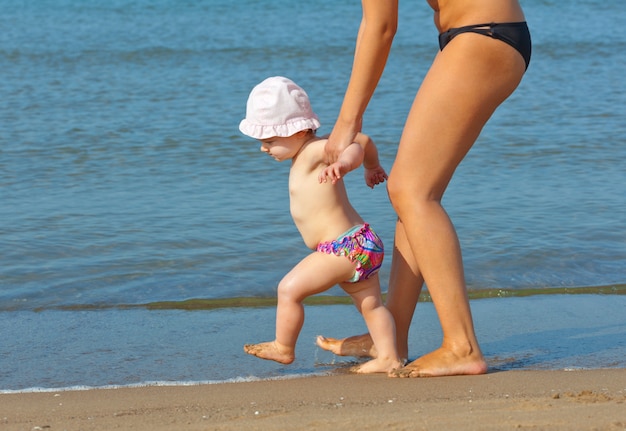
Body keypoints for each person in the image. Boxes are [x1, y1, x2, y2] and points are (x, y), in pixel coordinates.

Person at [316, 1, 532, 377]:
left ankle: (462, 347)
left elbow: (380, 26)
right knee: (409, 191)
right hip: (483, 34)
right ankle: (392, 339)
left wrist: (348, 122)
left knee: (413, 192)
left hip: (482, 35)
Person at [239, 76, 403, 373]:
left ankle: (283, 347)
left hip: (344, 248)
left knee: (289, 290)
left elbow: (355, 146)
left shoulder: (315, 150)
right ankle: (388, 355)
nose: (264, 148)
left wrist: (347, 164)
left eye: (270, 140)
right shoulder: (304, 152)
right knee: (370, 306)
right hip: (359, 243)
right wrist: (372, 166)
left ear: (299, 131)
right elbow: (364, 142)